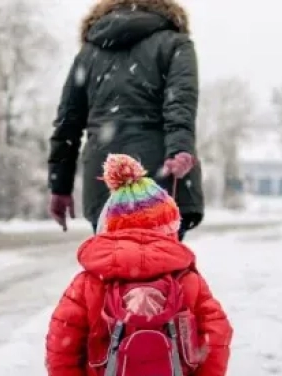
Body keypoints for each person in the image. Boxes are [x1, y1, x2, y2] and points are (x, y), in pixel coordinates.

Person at [17, 154, 282, 376]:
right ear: (170, 226)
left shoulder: (88, 283)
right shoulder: (187, 280)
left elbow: (60, 351)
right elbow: (216, 339)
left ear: (108, 226)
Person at [47, 0, 204, 241]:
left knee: (113, 260)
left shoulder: (89, 53)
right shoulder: (175, 44)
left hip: (105, 180)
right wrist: (179, 150)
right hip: (159, 178)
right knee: (160, 259)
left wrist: (60, 186)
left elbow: (68, 123)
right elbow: (180, 104)